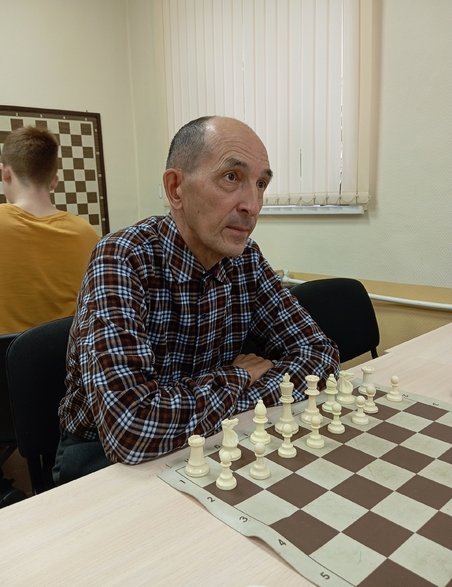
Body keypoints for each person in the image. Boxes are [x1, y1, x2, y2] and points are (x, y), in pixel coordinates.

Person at [54, 116, 340, 485]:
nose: (253, 205)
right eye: (231, 177)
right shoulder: (122, 258)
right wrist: (238, 376)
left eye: (261, 184)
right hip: (104, 457)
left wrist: (217, 399)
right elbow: (131, 428)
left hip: (214, 436)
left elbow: (320, 356)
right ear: (175, 189)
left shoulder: (246, 260)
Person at [0, 125, 100, 506]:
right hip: (72, 392)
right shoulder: (89, 236)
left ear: (5, 173)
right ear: (55, 180)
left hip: (5, 399)